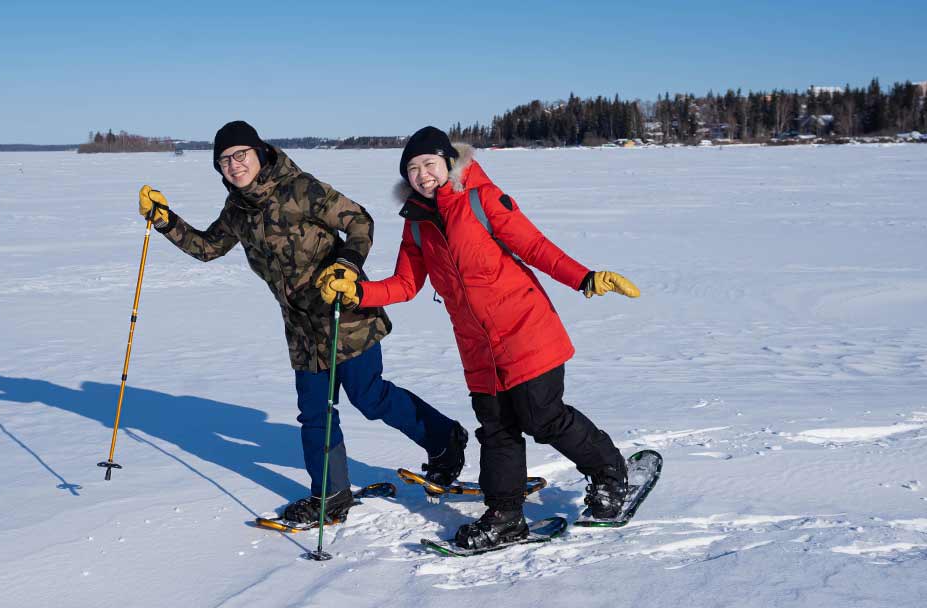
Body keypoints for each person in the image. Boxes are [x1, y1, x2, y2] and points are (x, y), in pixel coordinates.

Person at [318, 126, 640, 549]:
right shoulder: (417, 224)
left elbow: (536, 247)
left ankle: (611, 476)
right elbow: (405, 284)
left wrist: (585, 278)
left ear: (448, 163)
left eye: (429, 164)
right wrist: (359, 291)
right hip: (478, 348)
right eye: (412, 169)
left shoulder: (482, 200)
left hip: (526, 330)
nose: (422, 174)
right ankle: (505, 515)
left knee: (542, 416)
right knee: (496, 428)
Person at [137, 121, 467, 524]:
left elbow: (360, 221)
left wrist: (347, 264)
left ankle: (445, 438)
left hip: (344, 312)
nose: (234, 165)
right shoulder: (237, 211)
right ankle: (332, 495)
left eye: (241, 154)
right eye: (224, 160)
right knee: (315, 411)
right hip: (301, 328)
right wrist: (166, 220)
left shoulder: (300, 188)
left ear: (259, 153)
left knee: (370, 396)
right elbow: (208, 248)